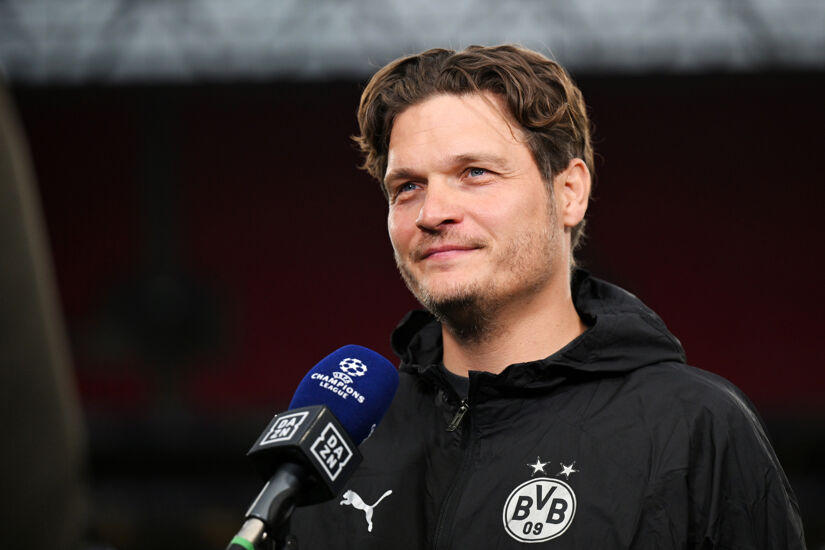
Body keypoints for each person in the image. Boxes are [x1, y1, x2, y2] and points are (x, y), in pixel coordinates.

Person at [290, 45, 806, 548]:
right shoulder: (342, 439)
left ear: (569, 193)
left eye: (474, 173)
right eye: (406, 186)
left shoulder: (695, 427)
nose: (431, 212)